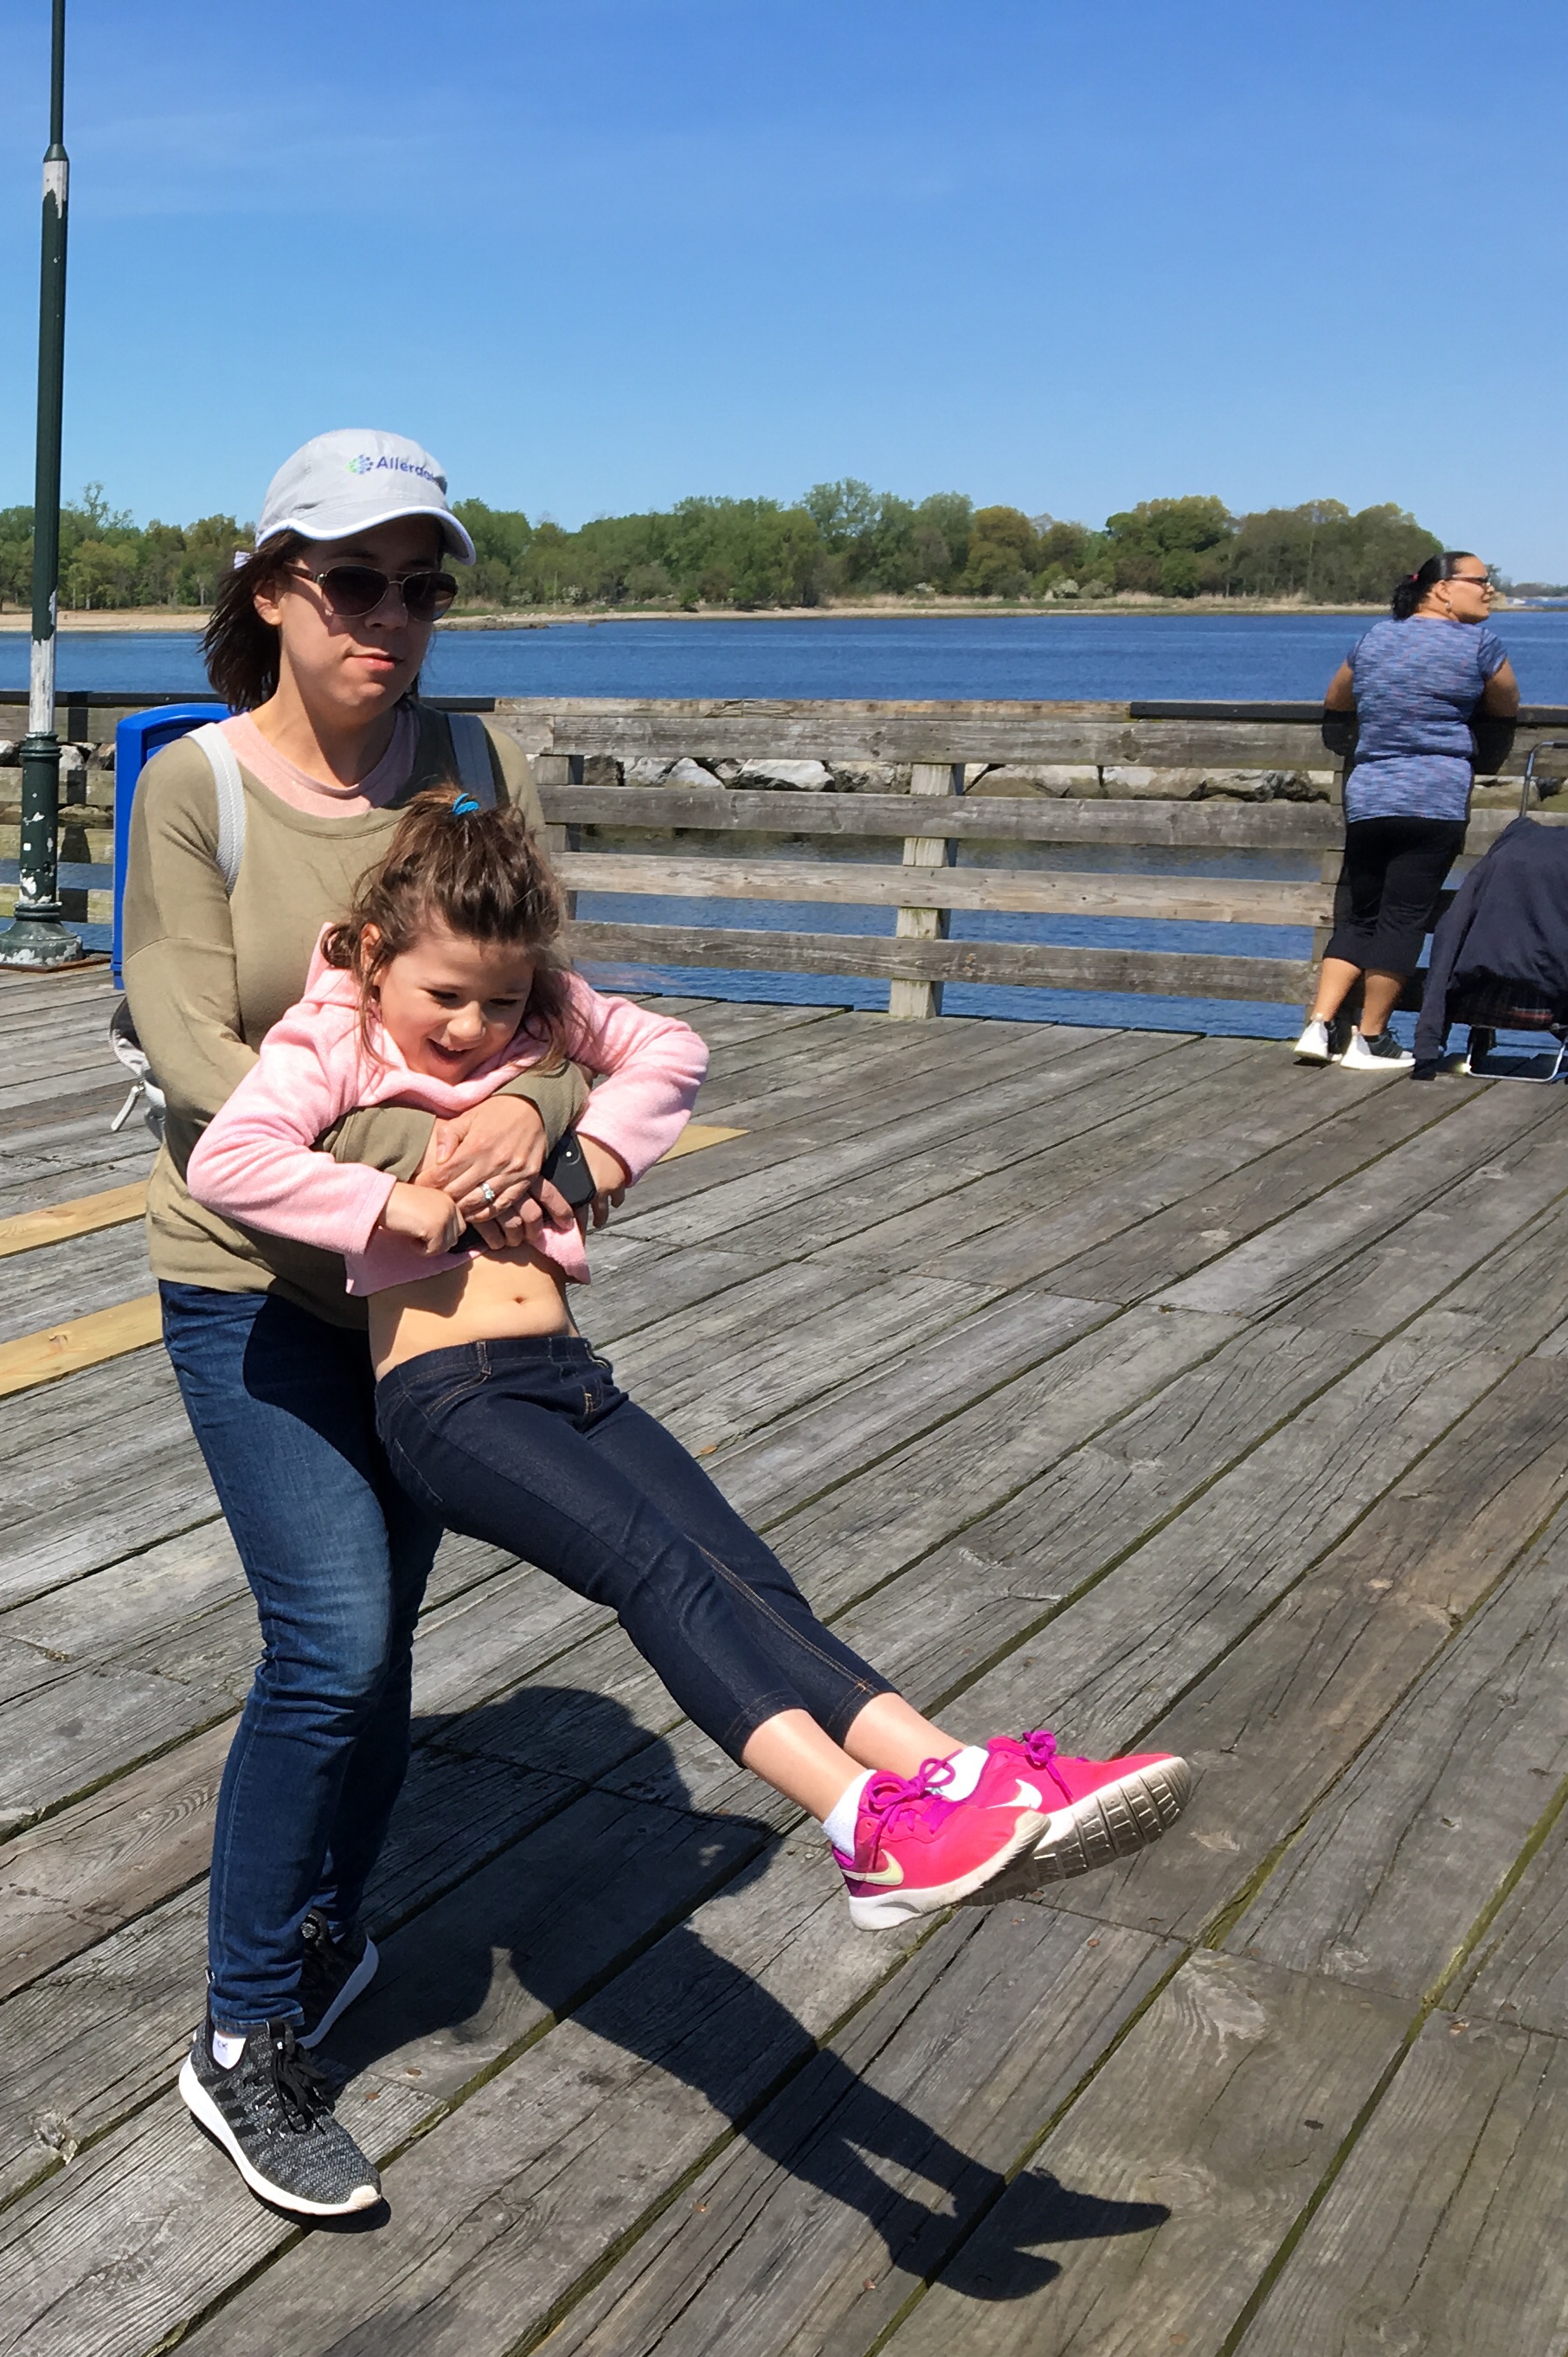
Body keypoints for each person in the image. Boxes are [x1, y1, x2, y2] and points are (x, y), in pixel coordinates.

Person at [182, 792, 1193, 2211]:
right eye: (445, 997)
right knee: (657, 1569)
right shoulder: (336, 1027)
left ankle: (952, 1773)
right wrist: (389, 1204)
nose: (474, 1026)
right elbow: (227, 1158)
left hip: (561, 1371)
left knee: (742, 1573)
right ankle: (862, 1823)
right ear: (370, 952)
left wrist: (582, 1155)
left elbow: (669, 1048)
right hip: (448, 1399)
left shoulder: (540, 1010)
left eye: (503, 1001)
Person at [123, 429, 599, 2220]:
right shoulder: (199, 788)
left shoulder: (474, 766)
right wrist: (412, 1162)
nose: (387, 617)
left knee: (383, 1635)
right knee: (325, 1640)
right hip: (251, 1272)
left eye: (419, 585)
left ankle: (327, 1925)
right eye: (350, 581)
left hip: (434, 1289)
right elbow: (189, 1049)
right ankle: (242, 2034)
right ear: (272, 591)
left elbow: (547, 1010)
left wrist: (536, 1114)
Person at [1301, 552, 1518, 1072]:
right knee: (1403, 919)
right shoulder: (1479, 644)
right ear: (1442, 589)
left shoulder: (1375, 638)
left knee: (1361, 914)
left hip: (1370, 795)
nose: (1489, 590)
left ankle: (1318, 1025)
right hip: (1433, 799)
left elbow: (1337, 697)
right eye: (1481, 581)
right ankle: (1370, 1038)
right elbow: (1506, 704)